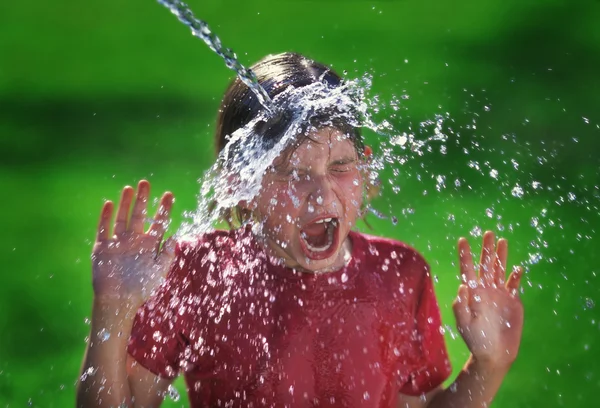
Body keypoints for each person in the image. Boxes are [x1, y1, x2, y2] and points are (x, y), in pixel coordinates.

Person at [77, 52, 524, 408]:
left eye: (341, 166)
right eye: (293, 173)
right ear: (242, 183)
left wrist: (489, 364)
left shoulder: (399, 276)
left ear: (364, 166)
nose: (322, 196)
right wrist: (113, 309)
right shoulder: (198, 274)